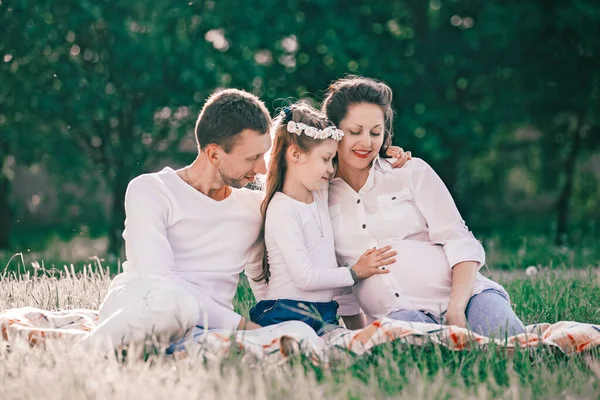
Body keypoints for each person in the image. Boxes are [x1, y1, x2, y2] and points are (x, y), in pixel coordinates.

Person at [77, 87, 411, 350]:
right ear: (213, 153)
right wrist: (241, 326)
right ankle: (87, 352)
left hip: (213, 327)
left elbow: (260, 275)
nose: (263, 169)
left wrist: (387, 162)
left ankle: (177, 351)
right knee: (171, 301)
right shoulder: (150, 191)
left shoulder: (254, 207)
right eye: (252, 157)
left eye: (264, 155)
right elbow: (159, 279)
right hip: (146, 307)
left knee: (299, 338)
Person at [322, 76, 526, 337]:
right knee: (423, 360)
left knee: (512, 342)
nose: (367, 142)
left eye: (375, 132)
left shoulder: (410, 171)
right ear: (334, 130)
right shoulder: (322, 196)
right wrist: (357, 337)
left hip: (466, 299)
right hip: (397, 316)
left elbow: (458, 239)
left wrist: (456, 308)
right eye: (355, 131)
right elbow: (342, 282)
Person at [246, 103, 396, 336]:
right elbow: (305, 277)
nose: (330, 169)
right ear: (295, 154)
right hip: (287, 312)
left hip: (323, 313)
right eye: (326, 159)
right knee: (305, 342)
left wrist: (388, 154)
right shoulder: (282, 209)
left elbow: (358, 163)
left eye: (333, 160)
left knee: (353, 342)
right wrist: (355, 272)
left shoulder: (320, 193)